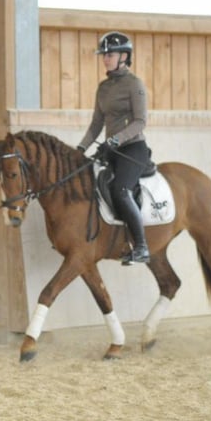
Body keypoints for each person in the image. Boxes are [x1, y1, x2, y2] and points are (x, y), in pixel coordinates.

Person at [77, 31, 151, 264]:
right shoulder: (103, 88)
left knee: (121, 189)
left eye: (110, 54)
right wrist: (80, 148)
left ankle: (141, 246)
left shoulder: (134, 84)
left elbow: (140, 121)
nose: (106, 59)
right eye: (104, 55)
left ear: (124, 56)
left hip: (132, 149)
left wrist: (116, 140)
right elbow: (96, 124)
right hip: (111, 151)